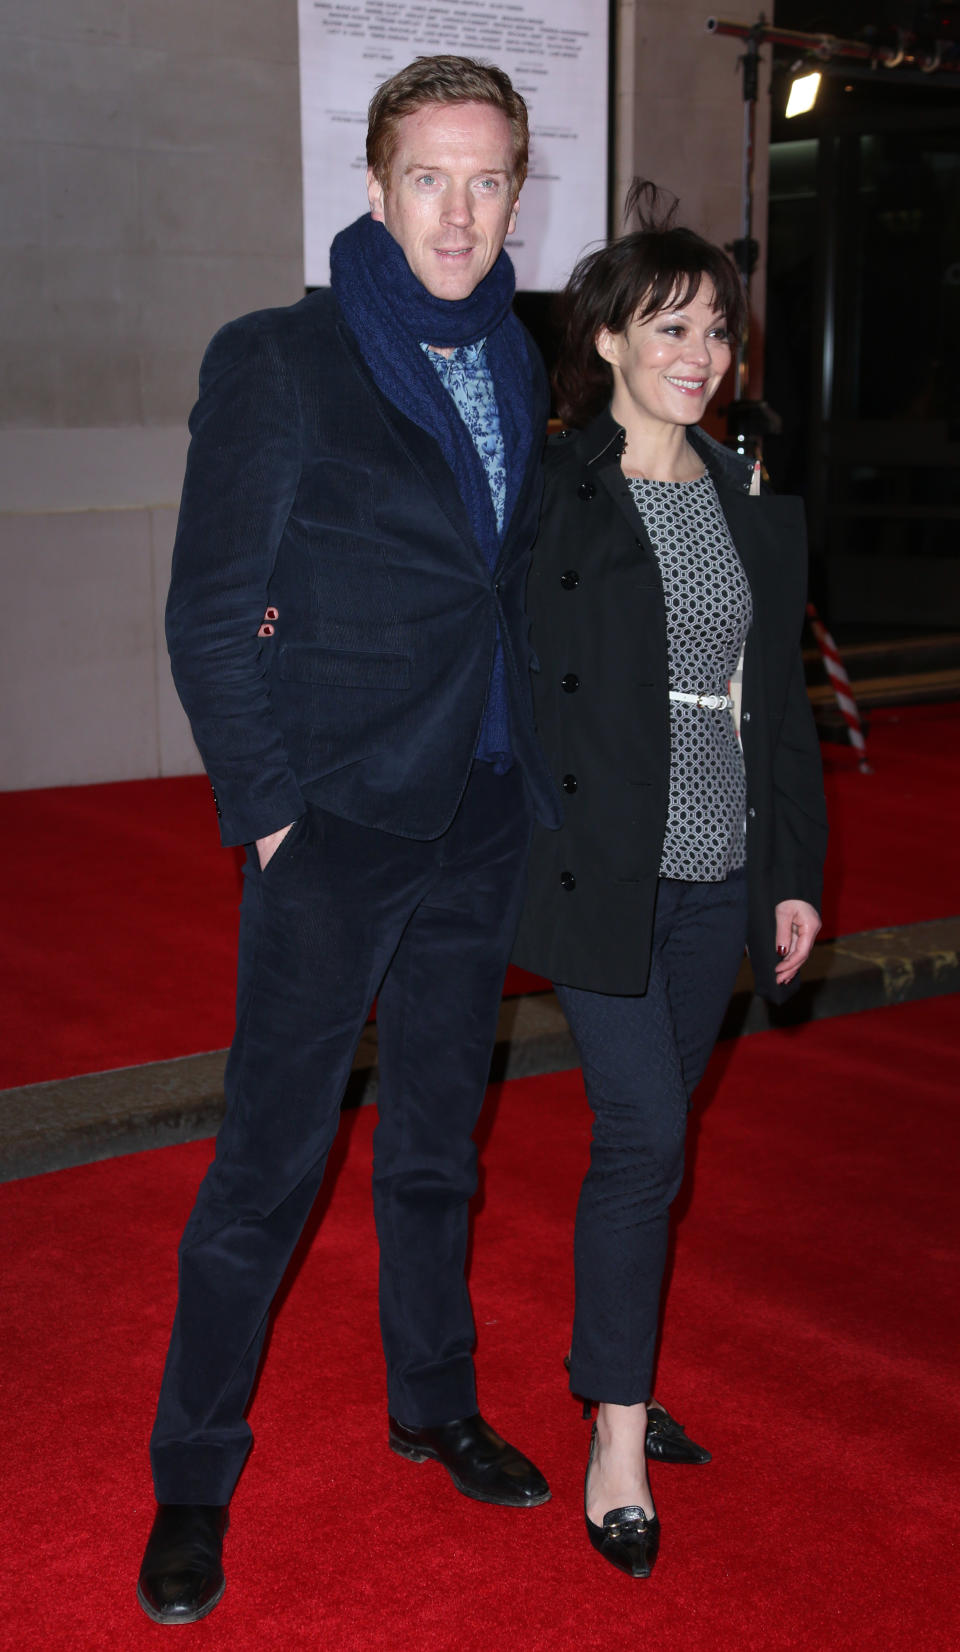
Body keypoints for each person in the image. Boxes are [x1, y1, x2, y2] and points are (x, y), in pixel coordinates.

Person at [137, 56, 563, 1626]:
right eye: (430, 176)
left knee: (441, 1145)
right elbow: (206, 611)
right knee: (269, 1164)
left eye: (489, 178)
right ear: (376, 187)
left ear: (519, 190)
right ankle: (193, 1473)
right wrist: (267, 819)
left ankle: (431, 1398)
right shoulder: (282, 358)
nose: (459, 210)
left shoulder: (522, 356)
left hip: (482, 812)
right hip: (333, 824)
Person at [512, 184, 828, 1579]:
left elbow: (784, 710)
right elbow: (490, 656)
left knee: (655, 1143)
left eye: (714, 326)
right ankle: (618, 1436)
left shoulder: (755, 501)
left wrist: (793, 876)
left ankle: (611, 1362)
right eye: (669, 323)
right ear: (612, 338)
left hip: (720, 869)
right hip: (602, 866)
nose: (697, 349)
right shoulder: (556, 485)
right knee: (646, 1144)